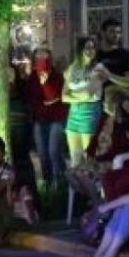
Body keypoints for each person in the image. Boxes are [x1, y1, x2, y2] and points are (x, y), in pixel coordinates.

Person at [26, 47, 67, 185]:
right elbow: (30, 98)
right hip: (40, 119)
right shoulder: (32, 77)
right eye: (38, 54)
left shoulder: (56, 75)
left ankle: (59, 183)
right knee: (42, 154)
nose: (41, 56)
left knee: (53, 152)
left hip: (56, 118)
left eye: (45, 54)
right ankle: (48, 183)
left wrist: (45, 83)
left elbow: (54, 97)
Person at [63, 36, 102, 167]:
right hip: (73, 113)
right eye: (88, 47)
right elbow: (63, 96)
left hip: (90, 112)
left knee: (89, 157)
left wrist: (73, 94)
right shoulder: (72, 68)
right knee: (75, 159)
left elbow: (88, 94)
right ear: (80, 50)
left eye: (93, 47)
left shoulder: (98, 68)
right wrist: (80, 95)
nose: (91, 50)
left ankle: (92, 187)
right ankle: (76, 186)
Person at [92, 17, 129, 95]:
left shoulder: (125, 54)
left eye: (118, 32)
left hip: (117, 100)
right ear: (103, 33)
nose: (116, 35)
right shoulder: (94, 55)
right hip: (96, 101)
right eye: (112, 31)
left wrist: (109, 76)